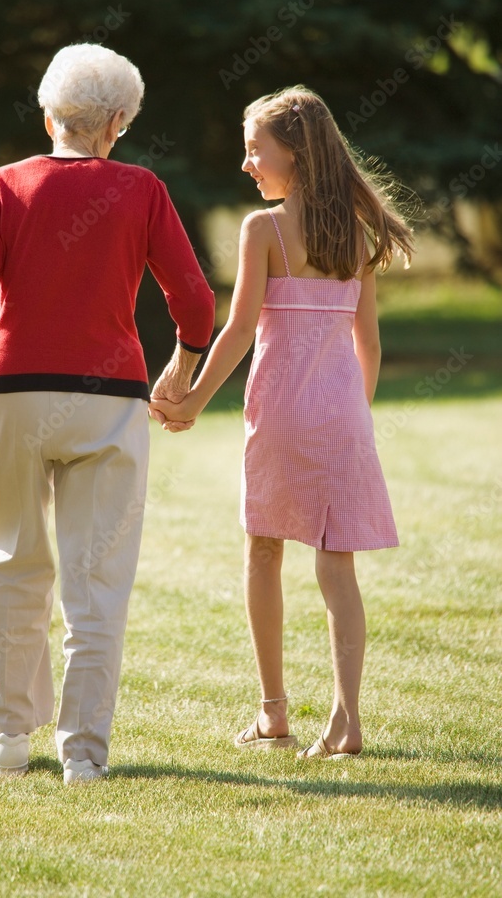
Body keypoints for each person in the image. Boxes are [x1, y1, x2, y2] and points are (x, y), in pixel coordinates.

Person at [0, 43, 215, 784]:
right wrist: (180, 369)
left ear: (48, 116)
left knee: (13, 562)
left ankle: (8, 739)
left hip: (10, 395)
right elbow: (194, 302)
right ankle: (83, 754)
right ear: (118, 123)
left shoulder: (4, 185)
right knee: (96, 581)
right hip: (109, 401)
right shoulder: (141, 188)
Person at [151, 85, 414, 759]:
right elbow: (370, 345)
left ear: (291, 154)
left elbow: (237, 331)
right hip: (342, 419)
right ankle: (346, 720)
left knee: (262, 552)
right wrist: (352, 412)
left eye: (253, 150)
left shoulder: (261, 230)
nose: (246, 165)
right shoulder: (354, 236)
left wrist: (193, 399)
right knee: (337, 566)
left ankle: (273, 714)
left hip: (279, 419)